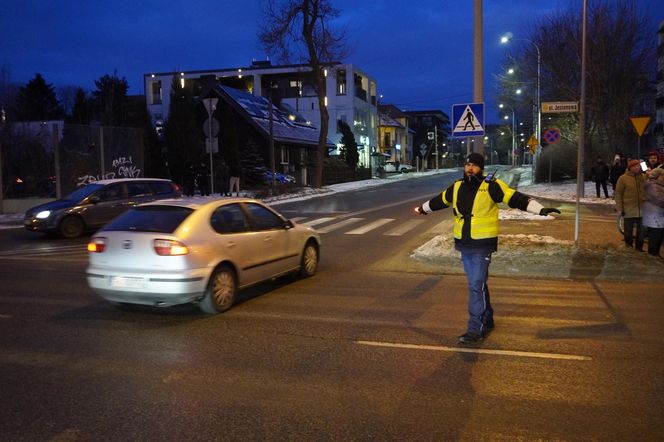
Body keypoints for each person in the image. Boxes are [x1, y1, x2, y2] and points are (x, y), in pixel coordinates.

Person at [414, 152, 561, 345]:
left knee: (476, 286)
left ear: (481, 168)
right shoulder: (457, 186)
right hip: (464, 243)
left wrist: (539, 209)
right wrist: (423, 209)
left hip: (483, 244)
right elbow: (439, 200)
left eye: (474, 165)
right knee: (478, 284)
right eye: (467, 165)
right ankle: (488, 318)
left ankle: (476, 328)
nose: (470, 168)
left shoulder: (491, 186)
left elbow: (514, 198)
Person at [615, 159, 646, 251]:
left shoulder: (644, 177)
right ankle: (629, 249)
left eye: (638, 166)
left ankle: (639, 250)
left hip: (642, 210)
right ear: (630, 168)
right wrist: (620, 208)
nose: (637, 168)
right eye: (635, 166)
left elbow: (653, 174)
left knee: (641, 233)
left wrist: (645, 166)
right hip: (628, 209)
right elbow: (618, 194)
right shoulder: (623, 178)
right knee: (628, 232)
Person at [642, 167, 664, 258]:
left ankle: (655, 254)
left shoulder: (660, 185)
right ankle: (652, 256)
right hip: (654, 216)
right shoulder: (652, 186)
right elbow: (659, 200)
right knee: (655, 237)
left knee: (659, 236)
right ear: (657, 176)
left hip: (659, 215)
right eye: (663, 176)